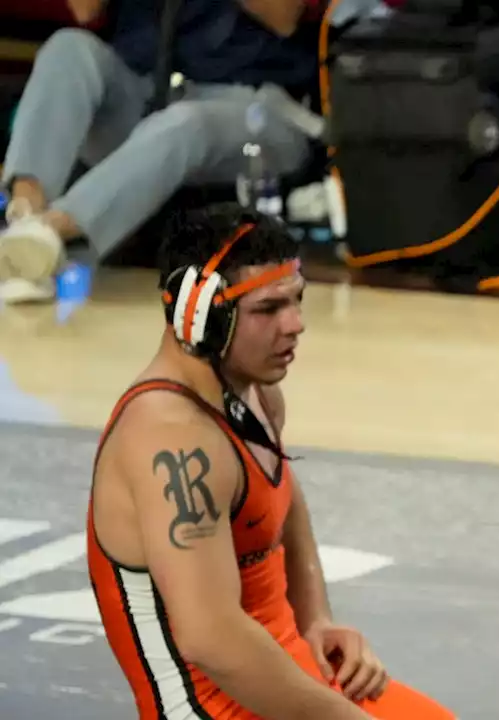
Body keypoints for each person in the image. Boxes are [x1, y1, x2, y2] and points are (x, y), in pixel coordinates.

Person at [86, 204, 455, 720]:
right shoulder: (170, 443)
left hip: (283, 670)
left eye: (297, 301)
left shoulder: (253, 395)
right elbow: (210, 639)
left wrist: (317, 620)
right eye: (268, 309)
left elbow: (282, 503)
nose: (296, 325)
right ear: (202, 316)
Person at [0, 0, 317, 304]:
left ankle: (50, 235)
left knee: (184, 122)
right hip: (147, 92)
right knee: (67, 50)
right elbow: (85, 10)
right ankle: (23, 217)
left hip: (256, 108)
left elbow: (284, 16)